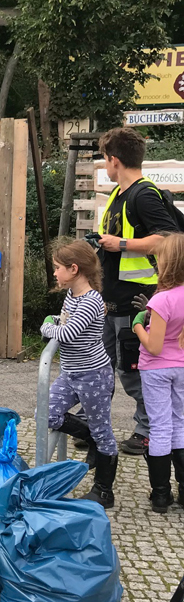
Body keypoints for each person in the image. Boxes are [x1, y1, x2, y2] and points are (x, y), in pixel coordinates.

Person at [97, 126, 178, 455]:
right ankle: (97, 426)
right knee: (101, 366)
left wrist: (122, 244)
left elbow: (170, 238)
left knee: (134, 372)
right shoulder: (118, 196)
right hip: (110, 298)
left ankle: (149, 431)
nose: (105, 165)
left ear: (114, 160)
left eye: (105, 159)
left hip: (137, 300)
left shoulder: (143, 195)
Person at [40, 239, 119, 508]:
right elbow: (62, 322)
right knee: (48, 412)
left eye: (58, 267)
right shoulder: (71, 296)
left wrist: (45, 328)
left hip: (93, 376)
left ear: (74, 269)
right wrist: (55, 324)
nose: (54, 273)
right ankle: (90, 439)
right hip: (70, 373)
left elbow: (67, 333)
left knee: (103, 431)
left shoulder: (90, 301)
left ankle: (104, 491)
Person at [132, 233, 184, 512]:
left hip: (157, 369)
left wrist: (138, 325)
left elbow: (153, 346)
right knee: (182, 424)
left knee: (161, 428)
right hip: (182, 368)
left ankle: (161, 495)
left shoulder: (162, 300)